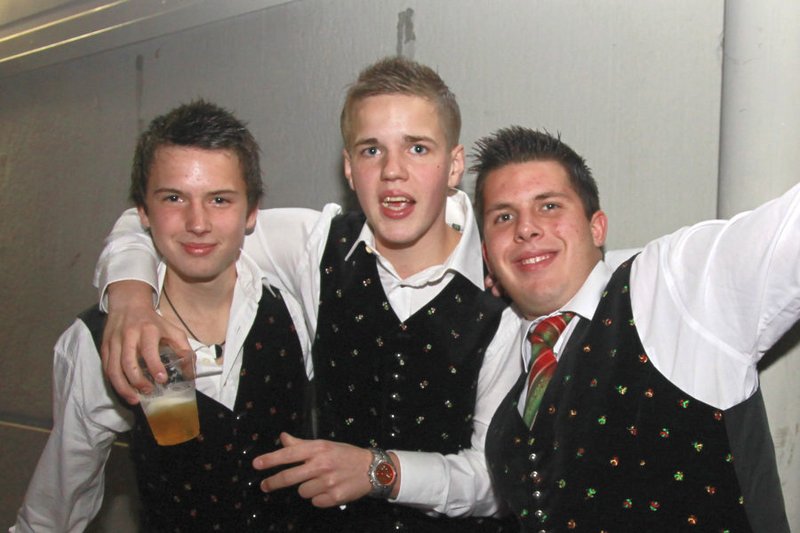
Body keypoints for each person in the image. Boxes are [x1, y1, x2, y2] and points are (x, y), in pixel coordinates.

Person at [92, 57, 521, 531]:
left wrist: (378, 471)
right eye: (371, 150)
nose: (393, 171)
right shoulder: (314, 245)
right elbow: (164, 219)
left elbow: (494, 483)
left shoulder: (507, 288)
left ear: (454, 165)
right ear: (349, 168)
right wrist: (130, 299)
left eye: (417, 148)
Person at [11, 100, 315, 532]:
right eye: (174, 198)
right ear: (142, 212)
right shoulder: (100, 341)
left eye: (219, 199)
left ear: (251, 212)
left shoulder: (297, 305)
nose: (197, 222)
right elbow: (57, 504)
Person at [473, 126, 793, 532]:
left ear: (597, 228)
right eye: (504, 217)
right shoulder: (502, 369)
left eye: (549, 206)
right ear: (488, 255)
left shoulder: (669, 288)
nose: (526, 228)